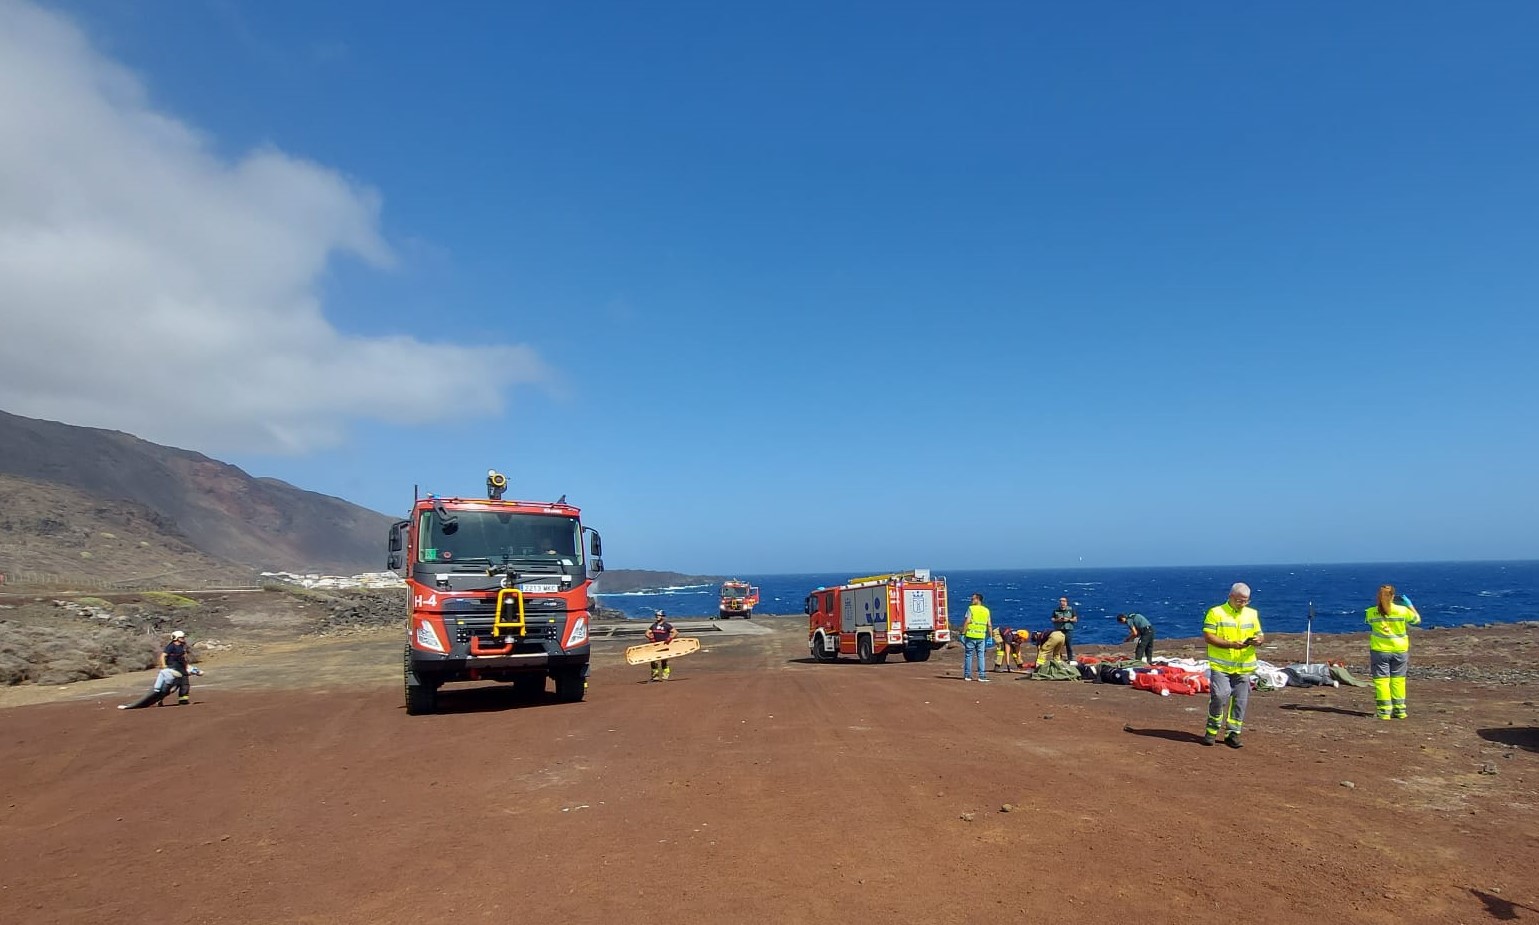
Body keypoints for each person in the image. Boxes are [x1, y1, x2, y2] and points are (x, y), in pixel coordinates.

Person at [1202, 583, 1264, 748]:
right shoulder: (1216, 613)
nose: (1242, 604)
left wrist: (1258, 640)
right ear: (1230, 596)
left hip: (1243, 666)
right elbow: (1208, 637)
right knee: (1220, 696)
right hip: (1221, 665)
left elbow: (1260, 634)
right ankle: (1212, 730)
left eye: (1246, 601)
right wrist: (1230, 644)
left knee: (1240, 702)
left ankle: (1233, 734)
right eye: (1239, 600)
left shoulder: (1252, 614)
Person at [1366, 584, 1421, 720]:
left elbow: (1369, 622)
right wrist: (1409, 605)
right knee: (1398, 680)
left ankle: (1384, 712)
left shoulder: (1371, 612)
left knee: (1382, 681)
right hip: (1400, 650)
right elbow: (1417, 620)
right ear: (1393, 596)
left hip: (1380, 650)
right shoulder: (1402, 611)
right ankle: (1400, 710)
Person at [959, 593, 992, 682]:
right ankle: (981, 675)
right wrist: (990, 637)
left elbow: (967, 621)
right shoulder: (986, 610)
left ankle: (967, 675)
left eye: (973, 599)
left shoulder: (971, 609)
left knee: (968, 655)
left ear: (978, 599)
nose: (971, 600)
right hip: (981, 636)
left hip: (971, 635)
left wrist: (962, 634)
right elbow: (989, 625)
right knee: (981, 656)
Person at [161, 630, 192, 705]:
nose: (183, 639)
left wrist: (187, 666)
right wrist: (164, 666)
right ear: (176, 638)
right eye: (181, 638)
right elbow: (163, 656)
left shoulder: (182, 646)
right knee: (174, 685)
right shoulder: (171, 646)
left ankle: (183, 700)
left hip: (181, 667)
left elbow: (183, 657)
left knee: (185, 684)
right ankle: (159, 698)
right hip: (173, 667)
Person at [646, 609, 677, 681]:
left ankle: (665, 676)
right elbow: (647, 633)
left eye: (659, 615)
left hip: (664, 646)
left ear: (663, 616)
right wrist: (650, 638)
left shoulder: (667, 625)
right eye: (656, 615)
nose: (657, 617)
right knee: (653, 661)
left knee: (664, 661)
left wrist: (670, 638)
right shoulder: (654, 625)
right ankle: (655, 676)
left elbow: (675, 632)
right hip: (655, 646)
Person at [1051, 596, 1079, 661]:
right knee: (1058, 646)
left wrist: (1068, 619)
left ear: (1066, 602)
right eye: (1061, 601)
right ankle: (1058, 659)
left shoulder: (1071, 609)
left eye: (1063, 601)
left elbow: (1075, 619)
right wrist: (1058, 620)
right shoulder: (1056, 610)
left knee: (1069, 646)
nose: (1062, 603)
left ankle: (1070, 659)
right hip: (1059, 630)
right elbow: (1052, 619)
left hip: (1068, 630)